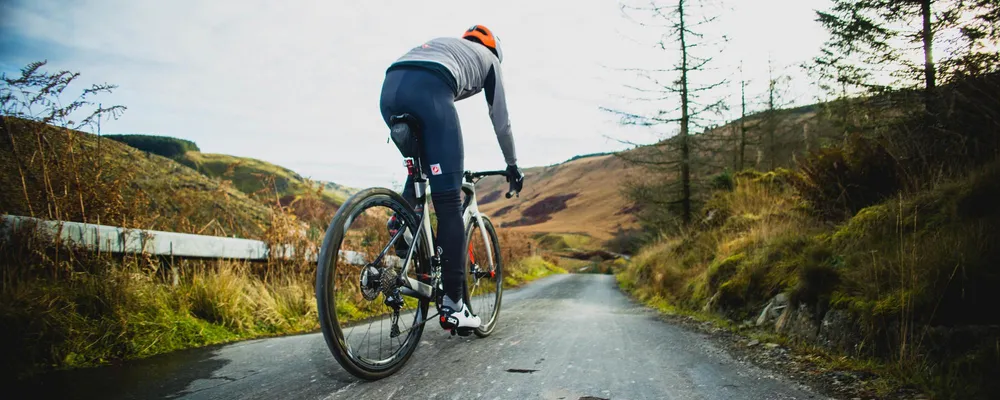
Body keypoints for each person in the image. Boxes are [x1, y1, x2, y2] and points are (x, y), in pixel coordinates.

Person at [379, 25, 524, 331]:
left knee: (420, 172)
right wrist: (512, 165)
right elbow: (502, 122)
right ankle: (454, 307)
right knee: (448, 204)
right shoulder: (490, 60)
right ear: (495, 49)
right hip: (429, 90)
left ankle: (402, 221)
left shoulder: (447, 46)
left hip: (391, 88)